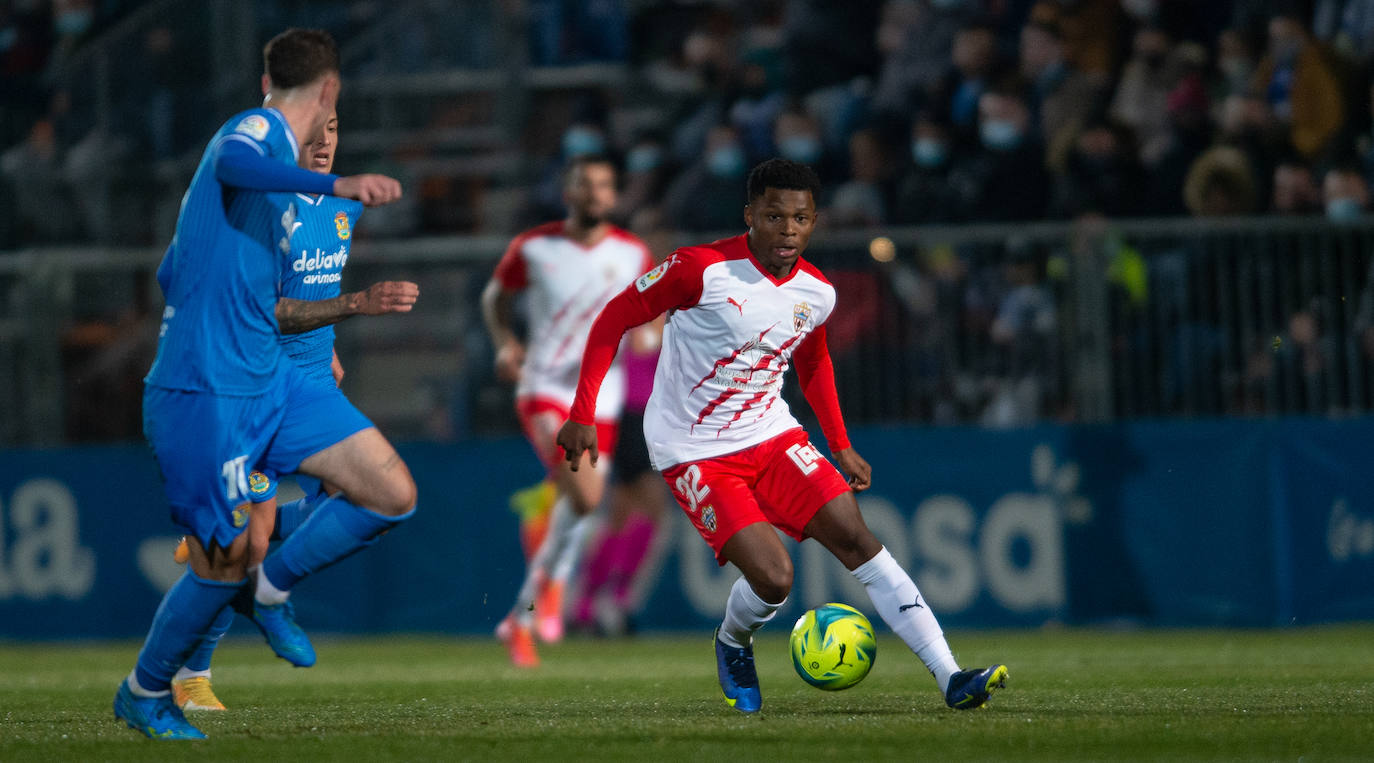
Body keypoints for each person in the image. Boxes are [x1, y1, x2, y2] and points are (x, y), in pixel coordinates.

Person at [556, 158, 1008, 714]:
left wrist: (839, 443)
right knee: (774, 579)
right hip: (693, 449)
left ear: (814, 221)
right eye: (774, 216)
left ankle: (951, 677)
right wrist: (582, 412)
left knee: (858, 541)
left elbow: (814, 362)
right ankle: (732, 641)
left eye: (800, 218)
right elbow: (611, 319)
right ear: (751, 215)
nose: (788, 229)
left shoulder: (817, 291)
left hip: (772, 435)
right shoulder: (699, 268)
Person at [116, 28, 414, 741]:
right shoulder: (259, 135)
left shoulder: (288, 176)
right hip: (210, 389)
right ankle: (147, 690)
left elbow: (180, 267)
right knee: (222, 564)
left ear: (264, 79)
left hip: (275, 380)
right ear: (329, 91)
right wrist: (333, 185)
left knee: (390, 492)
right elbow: (232, 157)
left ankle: (272, 589)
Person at [166, 112, 421, 713]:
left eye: (335, 126)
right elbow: (261, 309)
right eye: (314, 129)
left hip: (311, 384)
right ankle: (192, 676)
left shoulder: (344, 209)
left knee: (367, 494)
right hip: (255, 389)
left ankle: (240, 530)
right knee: (247, 552)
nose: (327, 139)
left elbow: (314, 281)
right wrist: (357, 304)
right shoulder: (259, 207)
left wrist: (327, 351)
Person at [482, 154, 653, 666]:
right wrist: (503, 341)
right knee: (583, 493)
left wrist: (650, 333)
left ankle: (523, 614)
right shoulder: (535, 247)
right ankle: (551, 588)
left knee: (578, 503)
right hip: (546, 387)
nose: (596, 193)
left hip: (604, 394)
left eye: (605, 184)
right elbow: (496, 296)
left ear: (614, 195)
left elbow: (649, 317)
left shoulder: (632, 254)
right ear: (568, 192)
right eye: (586, 184)